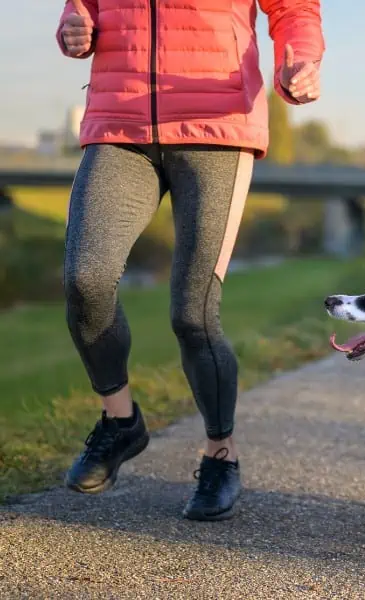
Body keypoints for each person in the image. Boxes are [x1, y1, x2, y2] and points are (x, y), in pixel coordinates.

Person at [56, 0, 324, 521]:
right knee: (85, 280)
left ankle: (221, 454)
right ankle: (120, 421)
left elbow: (294, 10)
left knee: (193, 313)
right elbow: (81, 9)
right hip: (119, 121)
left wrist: (299, 61)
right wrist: (74, 29)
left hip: (216, 124)